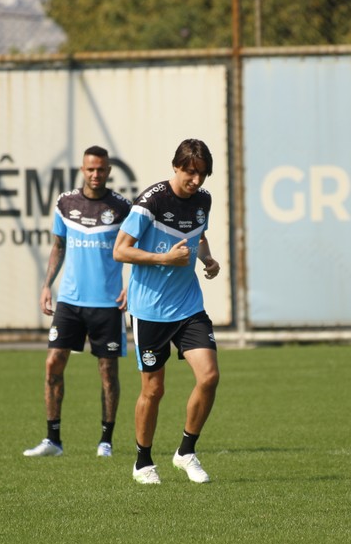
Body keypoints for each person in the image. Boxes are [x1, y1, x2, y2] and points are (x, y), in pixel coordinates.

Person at [112, 138, 221, 485]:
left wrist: (206, 257)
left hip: (188, 305)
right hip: (150, 311)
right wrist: (164, 258)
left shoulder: (203, 200)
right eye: (190, 172)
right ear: (176, 166)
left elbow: (198, 234)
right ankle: (142, 462)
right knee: (153, 390)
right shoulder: (151, 201)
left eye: (202, 174)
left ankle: (186, 452)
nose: (196, 181)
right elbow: (120, 251)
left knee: (209, 376)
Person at [23, 146, 132, 458]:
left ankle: (106, 441)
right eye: (90, 169)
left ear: (109, 170)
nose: (95, 174)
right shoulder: (65, 202)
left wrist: (131, 286)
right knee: (53, 364)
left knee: (108, 373)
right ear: (82, 170)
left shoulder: (122, 208)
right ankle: (53, 441)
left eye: (101, 169)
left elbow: (136, 249)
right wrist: (47, 286)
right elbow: (59, 245)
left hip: (108, 304)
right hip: (70, 302)